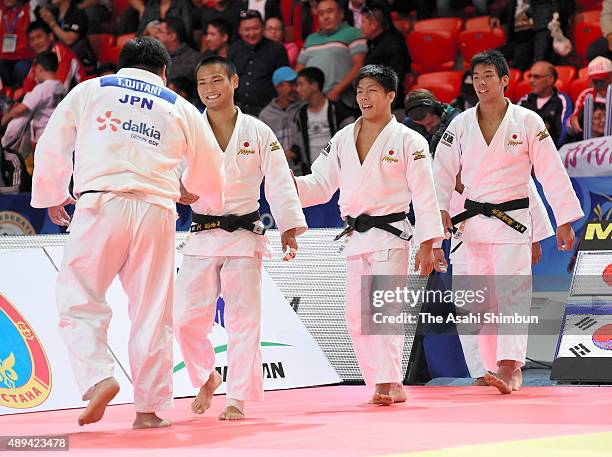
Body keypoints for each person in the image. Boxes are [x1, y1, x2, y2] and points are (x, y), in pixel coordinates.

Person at [29, 37, 225, 428]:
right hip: (156, 209)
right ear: (164, 72)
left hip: (101, 202)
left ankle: (99, 376)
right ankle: (149, 411)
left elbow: (52, 141)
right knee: (152, 312)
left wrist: (52, 193)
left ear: (122, 65)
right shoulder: (179, 106)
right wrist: (195, 191)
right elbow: (210, 165)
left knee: (78, 296)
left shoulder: (92, 90)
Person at [433, 50, 583, 394]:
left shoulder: (528, 121)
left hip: (513, 222)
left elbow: (550, 172)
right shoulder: (460, 124)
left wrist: (564, 219)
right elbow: (441, 171)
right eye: (476, 77)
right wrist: (439, 209)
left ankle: (510, 365)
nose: (481, 83)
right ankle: (492, 366)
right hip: (473, 225)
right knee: (481, 300)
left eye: (488, 75)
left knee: (512, 294)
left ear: (505, 81)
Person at [295, 64, 444, 404]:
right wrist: (286, 185)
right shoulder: (343, 137)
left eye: (372, 91)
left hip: (391, 236)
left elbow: (425, 194)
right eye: (360, 91)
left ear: (391, 96)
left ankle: (387, 382)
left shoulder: (410, 140)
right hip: (355, 237)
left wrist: (429, 242)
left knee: (385, 312)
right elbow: (319, 185)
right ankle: (381, 380)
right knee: (356, 315)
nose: (363, 97)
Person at [174, 55, 306, 421]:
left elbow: (279, 179)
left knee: (244, 320)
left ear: (233, 82)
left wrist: (290, 226)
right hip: (201, 233)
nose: (210, 89)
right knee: (185, 319)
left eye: (217, 80)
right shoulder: (187, 129)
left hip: (246, 235)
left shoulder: (258, 131)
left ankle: (238, 398)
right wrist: (176, 188)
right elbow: (168, 168)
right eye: (202, 83)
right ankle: (206, 375)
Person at [296, 0, 367, 112]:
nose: (325, 17)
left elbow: (359, 67)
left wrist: (336, 92)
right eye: (321, 13)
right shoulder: (310, 39)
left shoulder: (353, 33)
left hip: (341, 102)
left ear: (341, 13)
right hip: (312, 104)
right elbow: (299, 70)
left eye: (330, 11)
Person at [290, 66, 354, 175]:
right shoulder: (300, 115)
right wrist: (292, 152)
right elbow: (297, 144)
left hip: (338, 173)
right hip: (312, 175)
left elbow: (351, 140)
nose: (297, 89)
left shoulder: (339, 111)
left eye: (301, 84)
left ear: (314, 86)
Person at [228, 9, 288, 116]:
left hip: (269, 112)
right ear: (239, 31)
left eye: (256, 28)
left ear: (263, 28)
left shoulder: (277, 50)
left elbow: (284, 83)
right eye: (247, 29)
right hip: (239, 112)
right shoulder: (233, 50)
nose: (251, 33)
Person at [1, 51, 65, 149]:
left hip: (43, 137)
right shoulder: (61, 88)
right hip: (59, 135)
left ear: (39, 68)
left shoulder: (42, 89)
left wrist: (6, 118)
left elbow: (22, 109)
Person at [360, 1, 409, 107]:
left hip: (392, 105)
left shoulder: (393, 43)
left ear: (374, 24)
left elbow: (396, 74)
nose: (360, 26)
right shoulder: (373, 43)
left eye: (363, 22)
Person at [22, 20, 85, 95]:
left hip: (77, 99)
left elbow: (59, 89)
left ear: (51, 36)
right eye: (32, 39)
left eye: (39, 37)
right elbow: (29, 85)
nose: (36, 42)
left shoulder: (63, 54)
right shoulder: (39, 58)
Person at [518, 61, 572, 147]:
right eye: (530, 76)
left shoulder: (562, 101)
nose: (531, 80)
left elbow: (562, 134)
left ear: (550, 79)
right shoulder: (525, 100)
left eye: (536, 77)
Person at [259, 66, 302, 154]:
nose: (295, 88)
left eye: (296, 84)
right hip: (276, 165)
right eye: (291, 84)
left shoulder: (303, 108)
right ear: (278, 87)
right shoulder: (265, 115)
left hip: (302, 166)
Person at [567, 56, 612, 137]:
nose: (599, 85)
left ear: (611, 76)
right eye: (595, 82)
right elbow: (572, 120)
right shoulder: (587, 95)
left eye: (602, 81)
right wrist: (572, 122)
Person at [154, 17, 202, 83]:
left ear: (172, 36)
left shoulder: (194, 59)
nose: (156, 35)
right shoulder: (157, 57)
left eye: (159, 31)